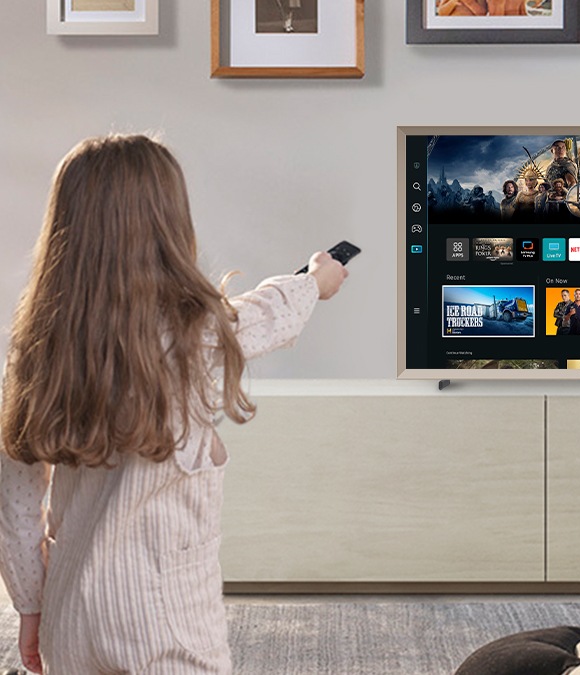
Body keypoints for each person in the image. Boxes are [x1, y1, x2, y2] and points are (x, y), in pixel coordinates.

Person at [0, 134, 348, 674]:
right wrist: (316, 281)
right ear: (167, 225)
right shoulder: (196, 333)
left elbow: (17, 502)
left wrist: (30, 606)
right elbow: (267, 312)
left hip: (71, 612)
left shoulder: (37, 346)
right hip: (163, 617)